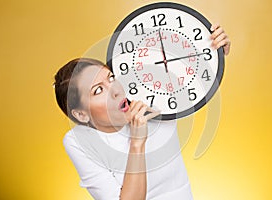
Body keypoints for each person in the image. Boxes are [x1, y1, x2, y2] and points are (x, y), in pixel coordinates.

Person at [53, 24, 230, 200]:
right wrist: (137, 142)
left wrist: (214, 48)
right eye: (98, 90)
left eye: (111, 78)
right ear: (81, 115)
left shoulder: (152, 98)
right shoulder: (79, 142)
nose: (115, 89)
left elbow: (182, 61)